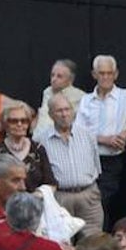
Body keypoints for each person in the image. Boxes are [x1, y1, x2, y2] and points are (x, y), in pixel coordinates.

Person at [75, 55, 126, 214]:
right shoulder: (86, 100)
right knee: (89, 202)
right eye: (102, 73)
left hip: (113, 161)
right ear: (94, 75)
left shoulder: (125, 96)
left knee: (103, 202)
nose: (106, 77)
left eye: (109, 73)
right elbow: (78, 131)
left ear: (116, 74)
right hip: (87, 160)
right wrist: (104, 139)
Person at [38, 93, 103, 233]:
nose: (64, 114)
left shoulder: (87, 135)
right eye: (59, 111)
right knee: (63, 241)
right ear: (50, 115)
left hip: (88, 195)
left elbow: (96, 165)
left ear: (73, 111)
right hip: (60, 199)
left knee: (93, 241)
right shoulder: (41, 141)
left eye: (67, 109)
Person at [0, 102, 56, 193]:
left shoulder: (38, 149)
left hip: (35, 203)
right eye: (13, 121)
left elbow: (51, 183)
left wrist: (38, 196)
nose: (19, 124)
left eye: (24, 121)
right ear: (5, 124)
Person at [35, 59, 85, 136]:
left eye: (59, 76)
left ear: (70, 80)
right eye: (52, 75)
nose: (54, 79)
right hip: (38, 138)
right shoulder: (47, 92)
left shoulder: (80, 97)